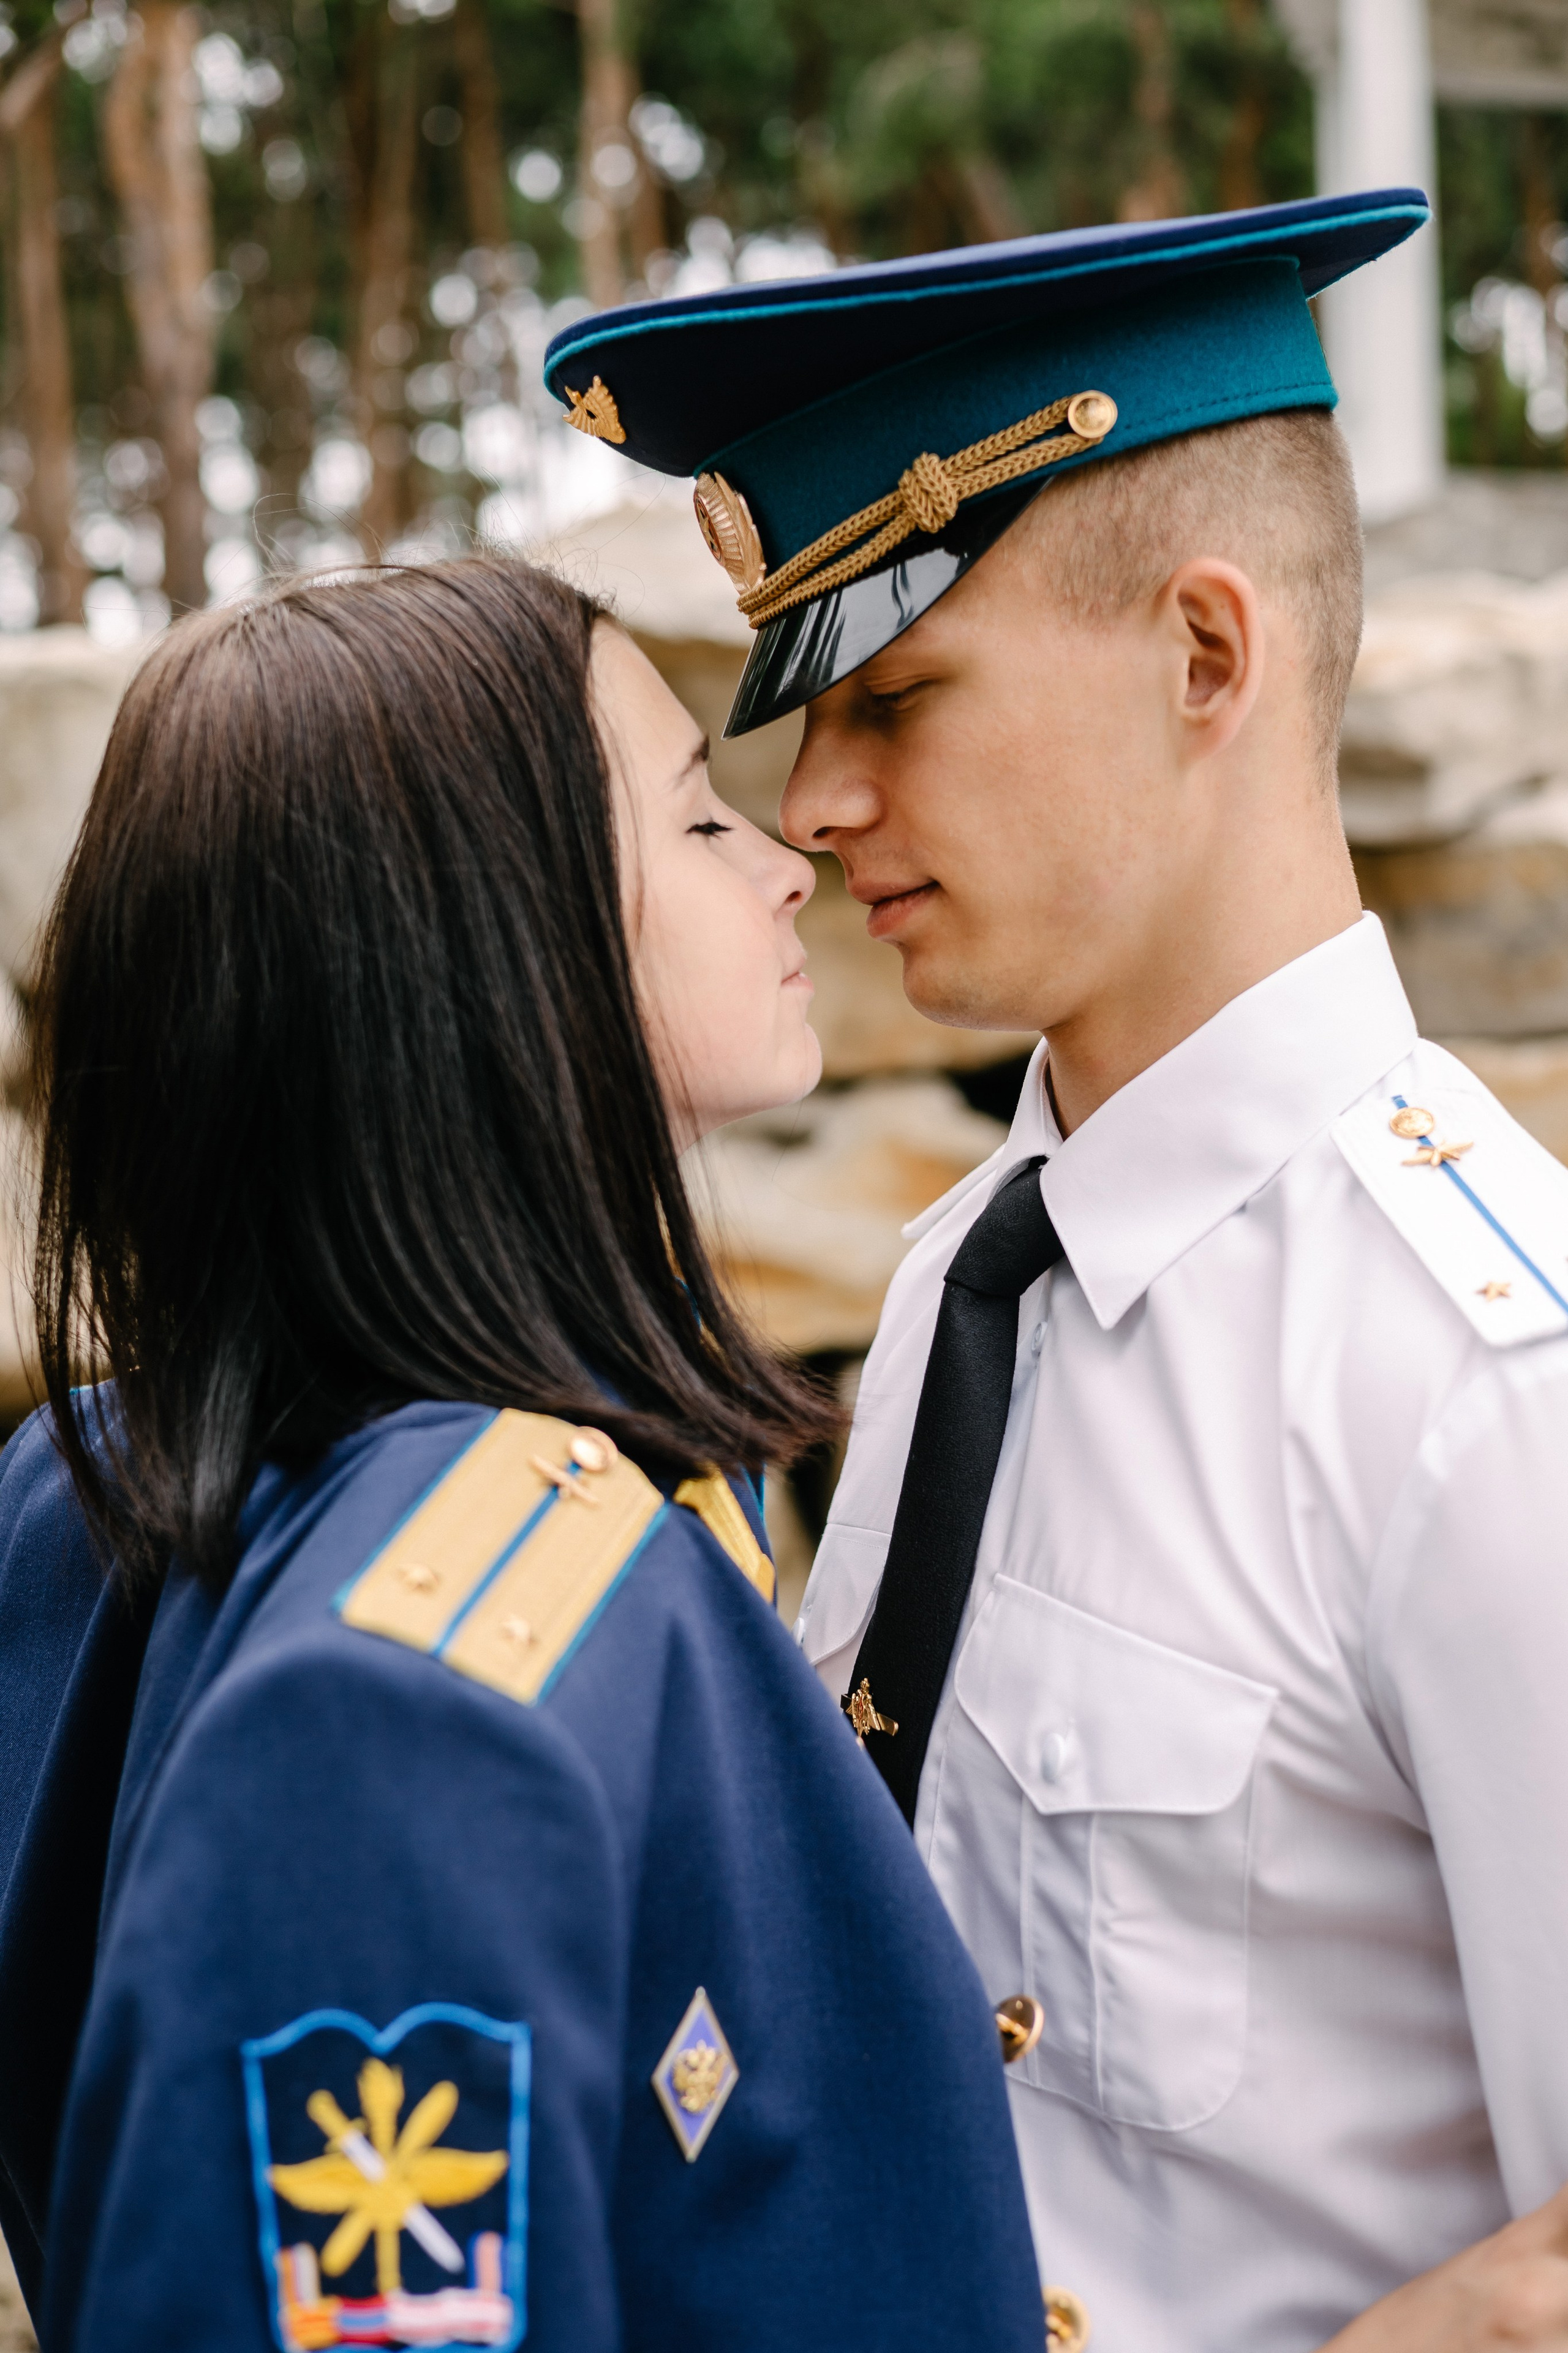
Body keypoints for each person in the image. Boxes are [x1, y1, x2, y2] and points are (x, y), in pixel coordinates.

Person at [543, 191, 1568, 2349]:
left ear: (1207, 657)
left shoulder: (1485, 1386)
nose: (817, 804)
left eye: (901, 694)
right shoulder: (967, 1280)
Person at [0, 557, 1055, 2353]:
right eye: (699, 818)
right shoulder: (420, 1698)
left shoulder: (106, 1479)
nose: (786, 861)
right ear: (491, 946)